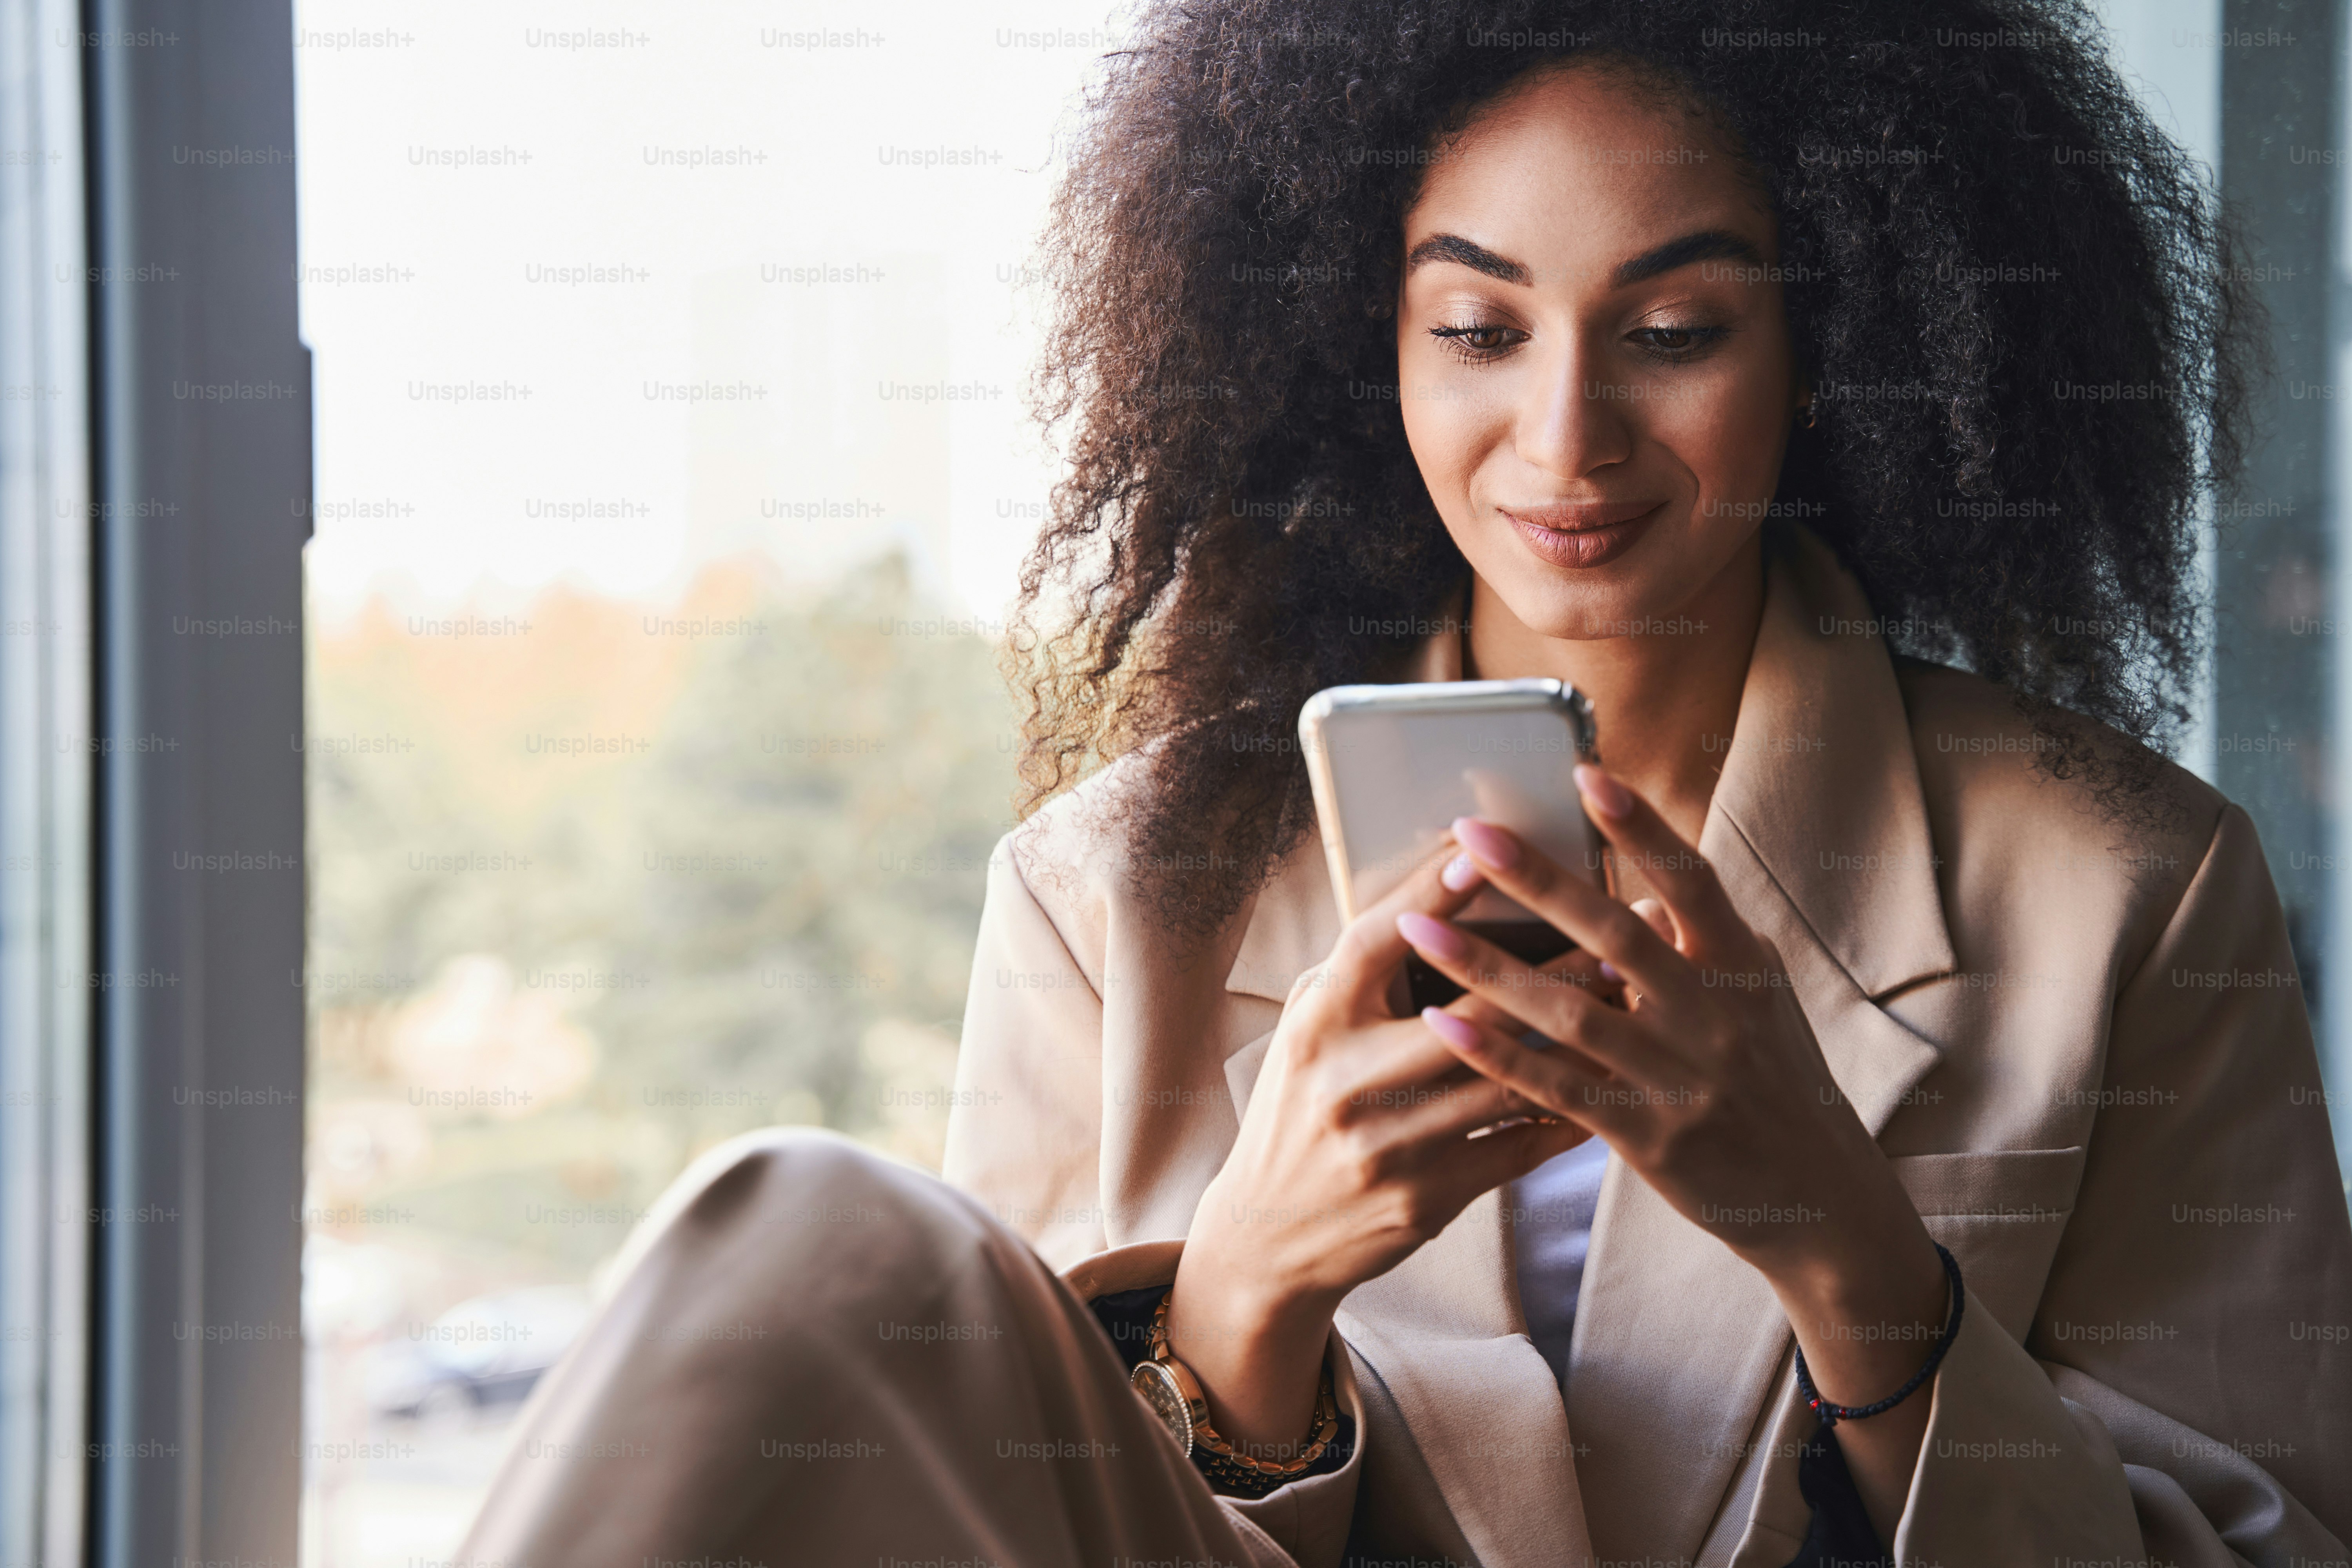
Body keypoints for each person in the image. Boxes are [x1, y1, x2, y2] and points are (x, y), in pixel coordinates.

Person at [460, 5, 2352, 1566]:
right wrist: (1240, 1304)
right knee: (795, 1231)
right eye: (1476, 329)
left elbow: (2270, 1542)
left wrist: (1855, 1264)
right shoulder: (1107, 890)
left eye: (1676, 333)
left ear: (1834, 345)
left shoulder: (2132, 893)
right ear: (1362, 346)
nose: (1566, 437)